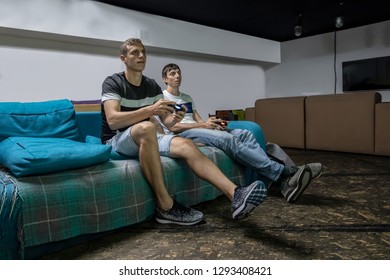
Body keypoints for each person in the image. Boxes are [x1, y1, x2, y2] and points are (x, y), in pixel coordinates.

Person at [101, 38, 268, 226]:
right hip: (117, 139)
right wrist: (150, 111)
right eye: (134, 53)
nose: (141, 56)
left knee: (185, 144)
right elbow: (113, 120)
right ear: (123, 58)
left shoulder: (152, 85)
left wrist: (176, 118)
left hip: (146, 136)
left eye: (143, 52)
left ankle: (236, 194)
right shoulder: (113, 82)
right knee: (147, 126)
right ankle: (165, 207)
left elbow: (168, 124)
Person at [161, 63, 323, 203]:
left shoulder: (187, 97)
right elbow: (173, 127)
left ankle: (283, 185)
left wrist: (209, 124)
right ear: (165, 79)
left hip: (198, 128)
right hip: (184, 134)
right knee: (227, 139)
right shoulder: (163, 98)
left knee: (245, 134)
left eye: (178, 72)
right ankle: (283, 172)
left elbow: (198, 118)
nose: (177, 76)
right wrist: (202, 125)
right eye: (172, 73)